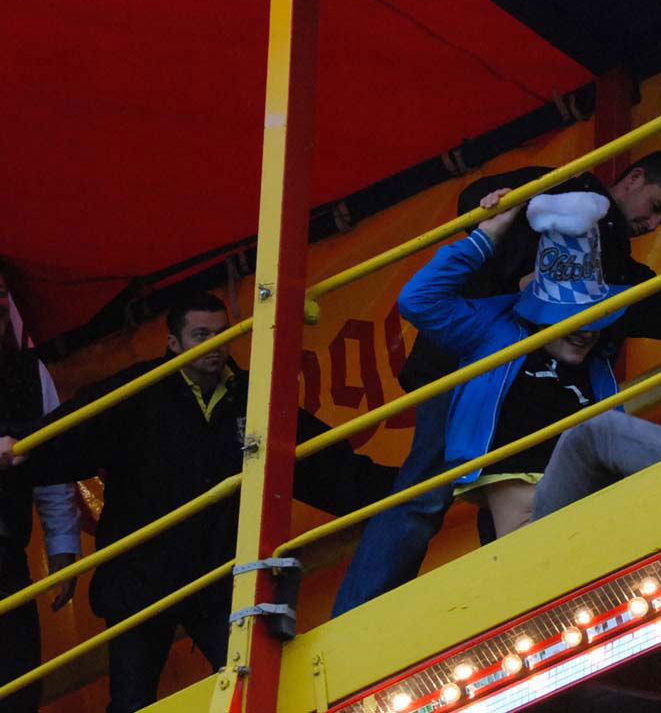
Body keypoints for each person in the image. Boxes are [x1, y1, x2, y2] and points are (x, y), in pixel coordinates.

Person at [335, 152, 661, 616]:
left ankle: (506, 611)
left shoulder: (616, 268)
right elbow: (478, 201)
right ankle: (359, 615)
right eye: (656, 208)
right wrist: (502, 238)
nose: (653, 225)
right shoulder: (558, 187)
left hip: (520, 401)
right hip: (473, 369)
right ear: (634, 178)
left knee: (492, 493)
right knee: (425, 494)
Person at [0, 293, 398, 713]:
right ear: (173, 343)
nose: (213, 345)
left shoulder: (252, 396)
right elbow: (70, 434)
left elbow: (320, 463)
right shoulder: (138, 391)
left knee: (260, 682)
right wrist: (22, 445)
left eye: (221, 334)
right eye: (200, 335)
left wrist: (409, 486)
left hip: (219, 573)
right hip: (142, 577)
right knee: (132, 701)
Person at [397, 189, 661, 539]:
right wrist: (489, 235)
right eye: (571, 318)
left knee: (601, 435)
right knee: (595, 430)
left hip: (603, 520)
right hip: (534, 530)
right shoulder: (494, 330)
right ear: (540, 309)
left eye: (596, 318)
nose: (586, 331)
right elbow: (417, 300)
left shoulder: (597, 365)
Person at [0, 273, 80, 713]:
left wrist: (63, 545)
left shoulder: (29, 373)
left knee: (19, 689)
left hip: (7, 556)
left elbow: (52, 459)